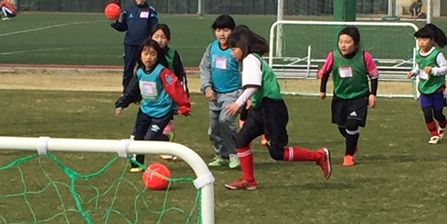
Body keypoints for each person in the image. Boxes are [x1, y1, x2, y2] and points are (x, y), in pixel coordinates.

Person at [223, 26, 331, 190]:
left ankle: (319, 156)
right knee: (241, 140)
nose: (232, 53)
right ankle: (249, 180)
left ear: (243, 46)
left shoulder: (250, 59)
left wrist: (238, 103)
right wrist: (251, 102)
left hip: (272, 109)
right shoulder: (254, 59)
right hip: (262, 108)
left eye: (233, 48)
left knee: (277, 153)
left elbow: (253, 86)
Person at [115, 39, 191, 172]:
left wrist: (184, 105)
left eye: (152, 54)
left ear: (157, 56)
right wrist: (121, 103)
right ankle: (137, 165)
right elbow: (131, 90)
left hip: (162, 112)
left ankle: (167, 136)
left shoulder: (163, 72)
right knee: (138, 137)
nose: (148, 57)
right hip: (145, 110)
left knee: (149, 140)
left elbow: (176, 88)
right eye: (145, 54)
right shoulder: (139, 72)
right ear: (140, 55)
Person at [318, 27, 379, 167]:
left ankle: (348, 155)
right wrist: (322, 90)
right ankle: (353, 141)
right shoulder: (333, 56)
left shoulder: (365, 56)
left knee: (352, 124)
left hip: (359, 96)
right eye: (340, 42)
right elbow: (326, 72)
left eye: (347, 42)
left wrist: (372, 94)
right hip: (340, 96)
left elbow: (374, 75)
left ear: (356, 44)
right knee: (342, 127)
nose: (343, 45)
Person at [199, 14, 242, 169]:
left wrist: (245, 95)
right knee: (214, 128)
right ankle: (221, 155)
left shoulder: (236, 50)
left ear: (233, 31)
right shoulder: (212, 48)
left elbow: (244, 71)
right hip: (215, 95)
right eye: (218, 30)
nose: (222, 34)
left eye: (226, 30)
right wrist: (207, 87)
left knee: (226, 121)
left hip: (233, 94)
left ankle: (235, 153)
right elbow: (205, 68)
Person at [406, 24, 447, 144]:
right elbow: (419, 66)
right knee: (427, 113)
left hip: (437, 89)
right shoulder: (418, 53)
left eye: (424, 39)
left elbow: (445, 68)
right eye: (419, 40)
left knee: (438, 114)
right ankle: (434, 134)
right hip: (424, 89)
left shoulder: (437, 54)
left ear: (432, 40)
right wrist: (413, 72)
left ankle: (442, 125)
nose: (421, 42)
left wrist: (433, 70)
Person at [151, 23, 188, 160]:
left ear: (168, 39)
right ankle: (166, 140)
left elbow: (181, 76)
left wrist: (183, 97)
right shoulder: (147, 53)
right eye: (156, 37)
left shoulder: (173, 55)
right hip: (152, 95)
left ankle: (166, 143)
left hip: (168, 95)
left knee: (160, 122)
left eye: (163, 37)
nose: (159, 40)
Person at [110, 0, 158, 91]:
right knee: (128, 68)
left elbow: (154, 28)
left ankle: (142, 90)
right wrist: (115, 23)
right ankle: (126, 91)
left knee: (144, 68)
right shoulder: (128, 11)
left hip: (144, 46)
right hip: (130, 44)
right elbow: (124, 27)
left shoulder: (151, 11)